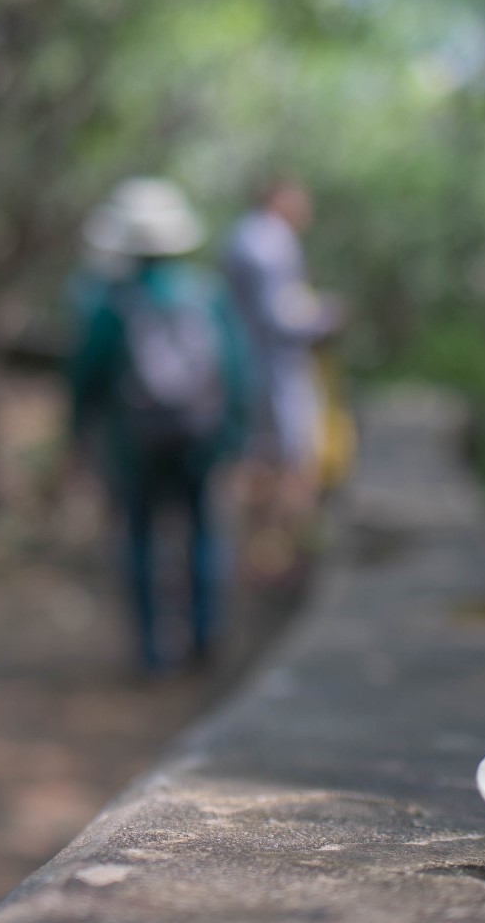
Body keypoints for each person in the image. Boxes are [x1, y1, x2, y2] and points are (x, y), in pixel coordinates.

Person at [69, 179, 251, 673]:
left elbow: (88, 374)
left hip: (137, 446)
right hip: (202, 439)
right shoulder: (206, 294)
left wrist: (78, 435)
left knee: (142, 538)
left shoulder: (114, 302)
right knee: (203, 532)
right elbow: (236, 368)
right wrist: (234, 434)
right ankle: (205, 635)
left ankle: (152, 651)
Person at [221, 177, 342, 577]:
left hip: (245, 365)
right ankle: (282, 555)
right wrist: (325, 316)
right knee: (291, 461)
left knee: (257, 456)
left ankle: (259, 550)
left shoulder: (240, 236)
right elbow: (281, 317)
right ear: (280, 199)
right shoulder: (272, 242)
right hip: (276, 369)